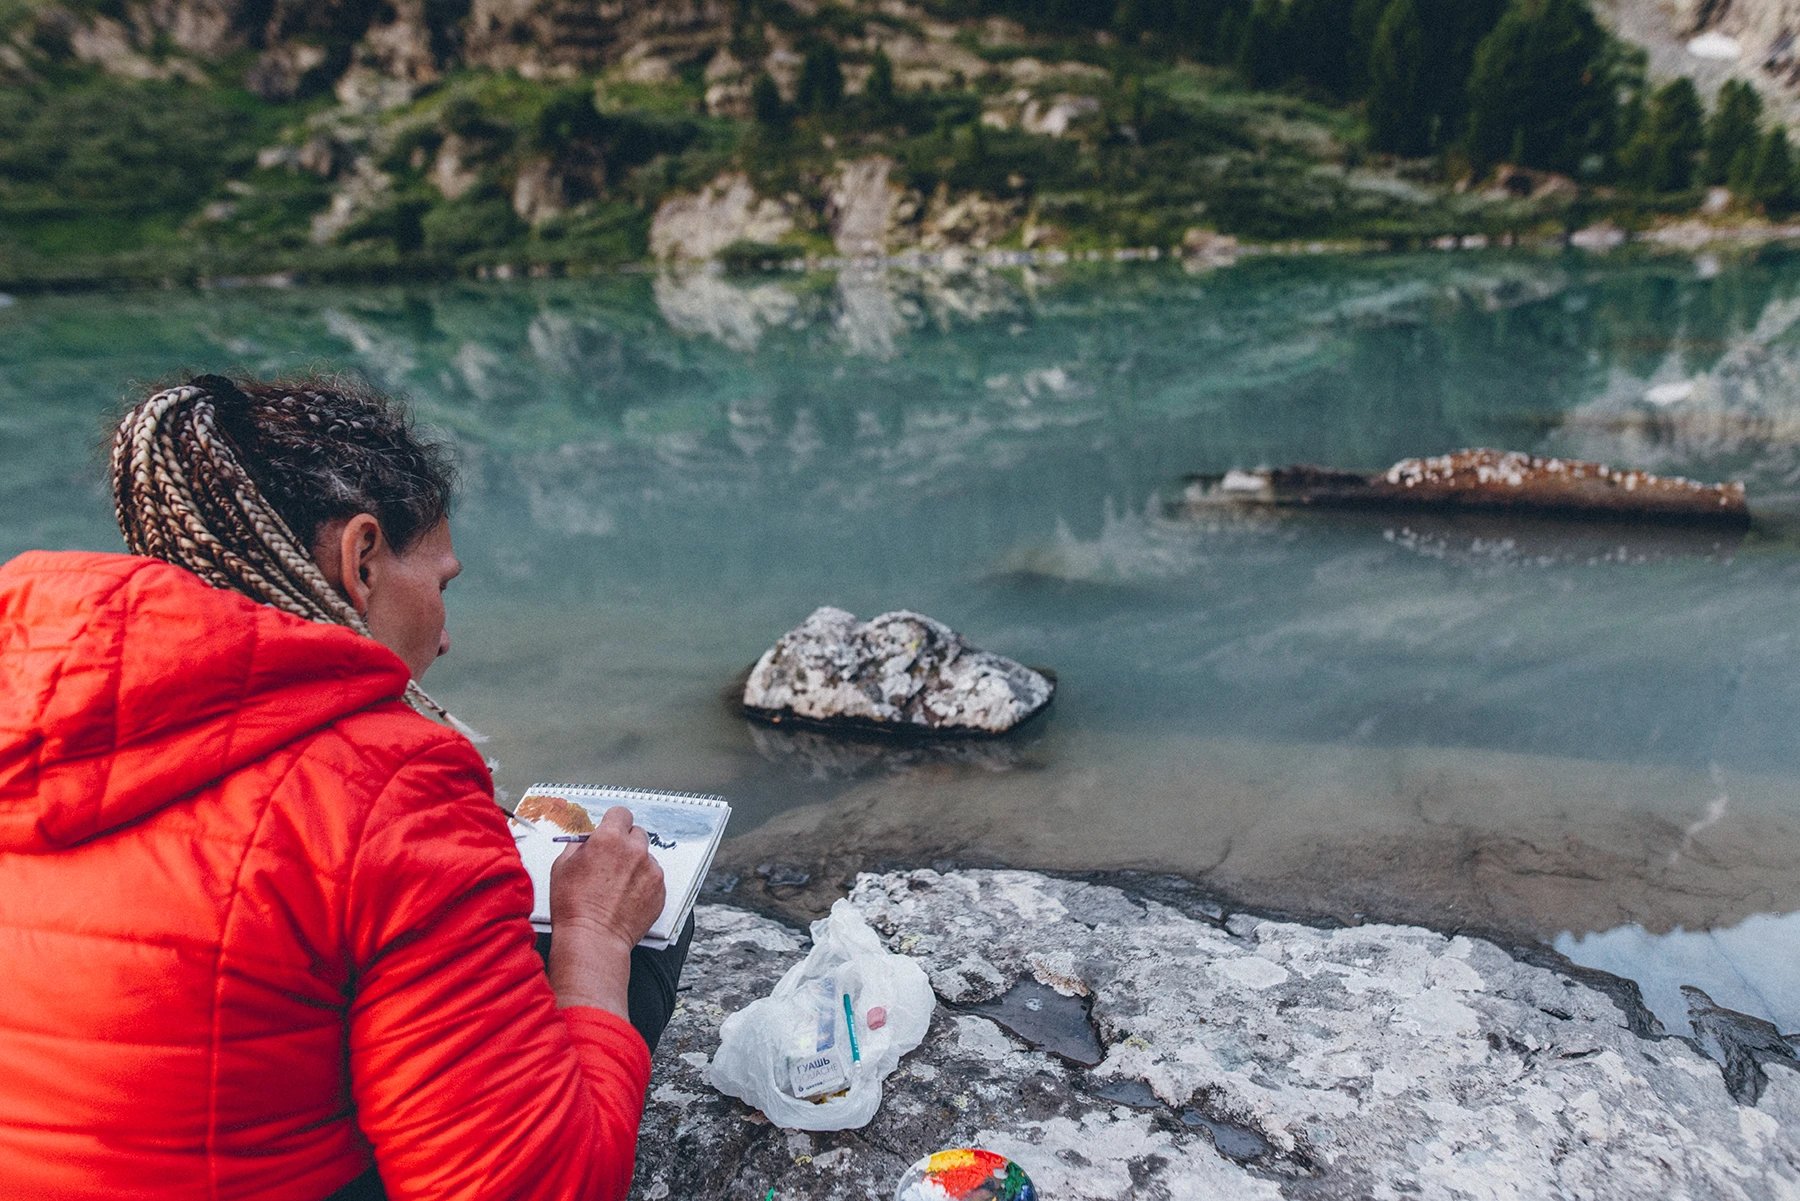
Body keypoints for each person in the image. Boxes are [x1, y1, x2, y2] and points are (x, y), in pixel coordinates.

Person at [0, 374, 678, 1200]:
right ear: (361, 559)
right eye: (441, 584)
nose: (448, 636)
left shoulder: (28, 705)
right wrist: (594, 938)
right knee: (637, 944)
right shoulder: (388, 784)